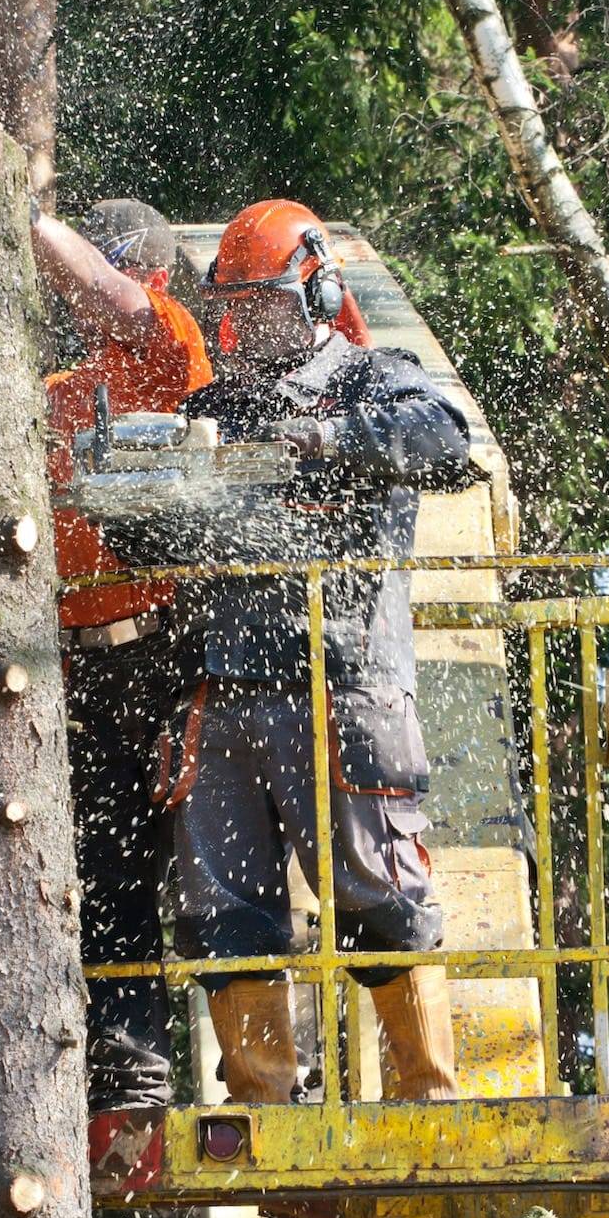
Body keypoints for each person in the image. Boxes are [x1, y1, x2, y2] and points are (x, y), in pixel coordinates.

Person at [144, 200, 479, 1105]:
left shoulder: (376, 381)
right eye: (238, 304)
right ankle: (261, 1098)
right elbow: (154, 538)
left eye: (266, 302)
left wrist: (331, 441)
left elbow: (451, 446)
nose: (249, 322)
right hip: (222, 689)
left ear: (317, 288)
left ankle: (425, 1090)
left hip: (343, 683)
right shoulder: (208, 409)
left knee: (379, 890)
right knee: (224, 909)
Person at [34, 199, 212, 1113]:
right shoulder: (60, 391)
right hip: (78, 657)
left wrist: (23, 219)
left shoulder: (167, 345)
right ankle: (129, 1071)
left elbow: (112, 299)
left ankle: (267, 1067)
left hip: (167, 650)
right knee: (107, 873)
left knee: (216, 870)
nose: (73, 300)